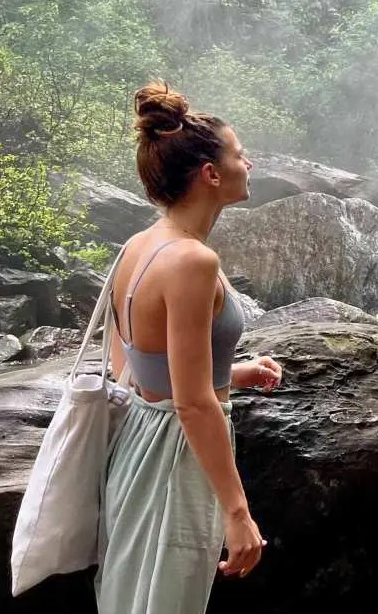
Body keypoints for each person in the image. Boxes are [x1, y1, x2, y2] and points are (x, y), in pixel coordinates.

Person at [95, 82, 283, 614]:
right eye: (240, 154)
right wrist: (238, 513)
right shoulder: (193, 263)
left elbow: (127, 355)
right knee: (167, 600)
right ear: (211, 174)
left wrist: (230, 372)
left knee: (133, 592)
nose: (249, 163)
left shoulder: (140, 244)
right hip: (177, 455)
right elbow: (193, 404)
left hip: (136, 442)